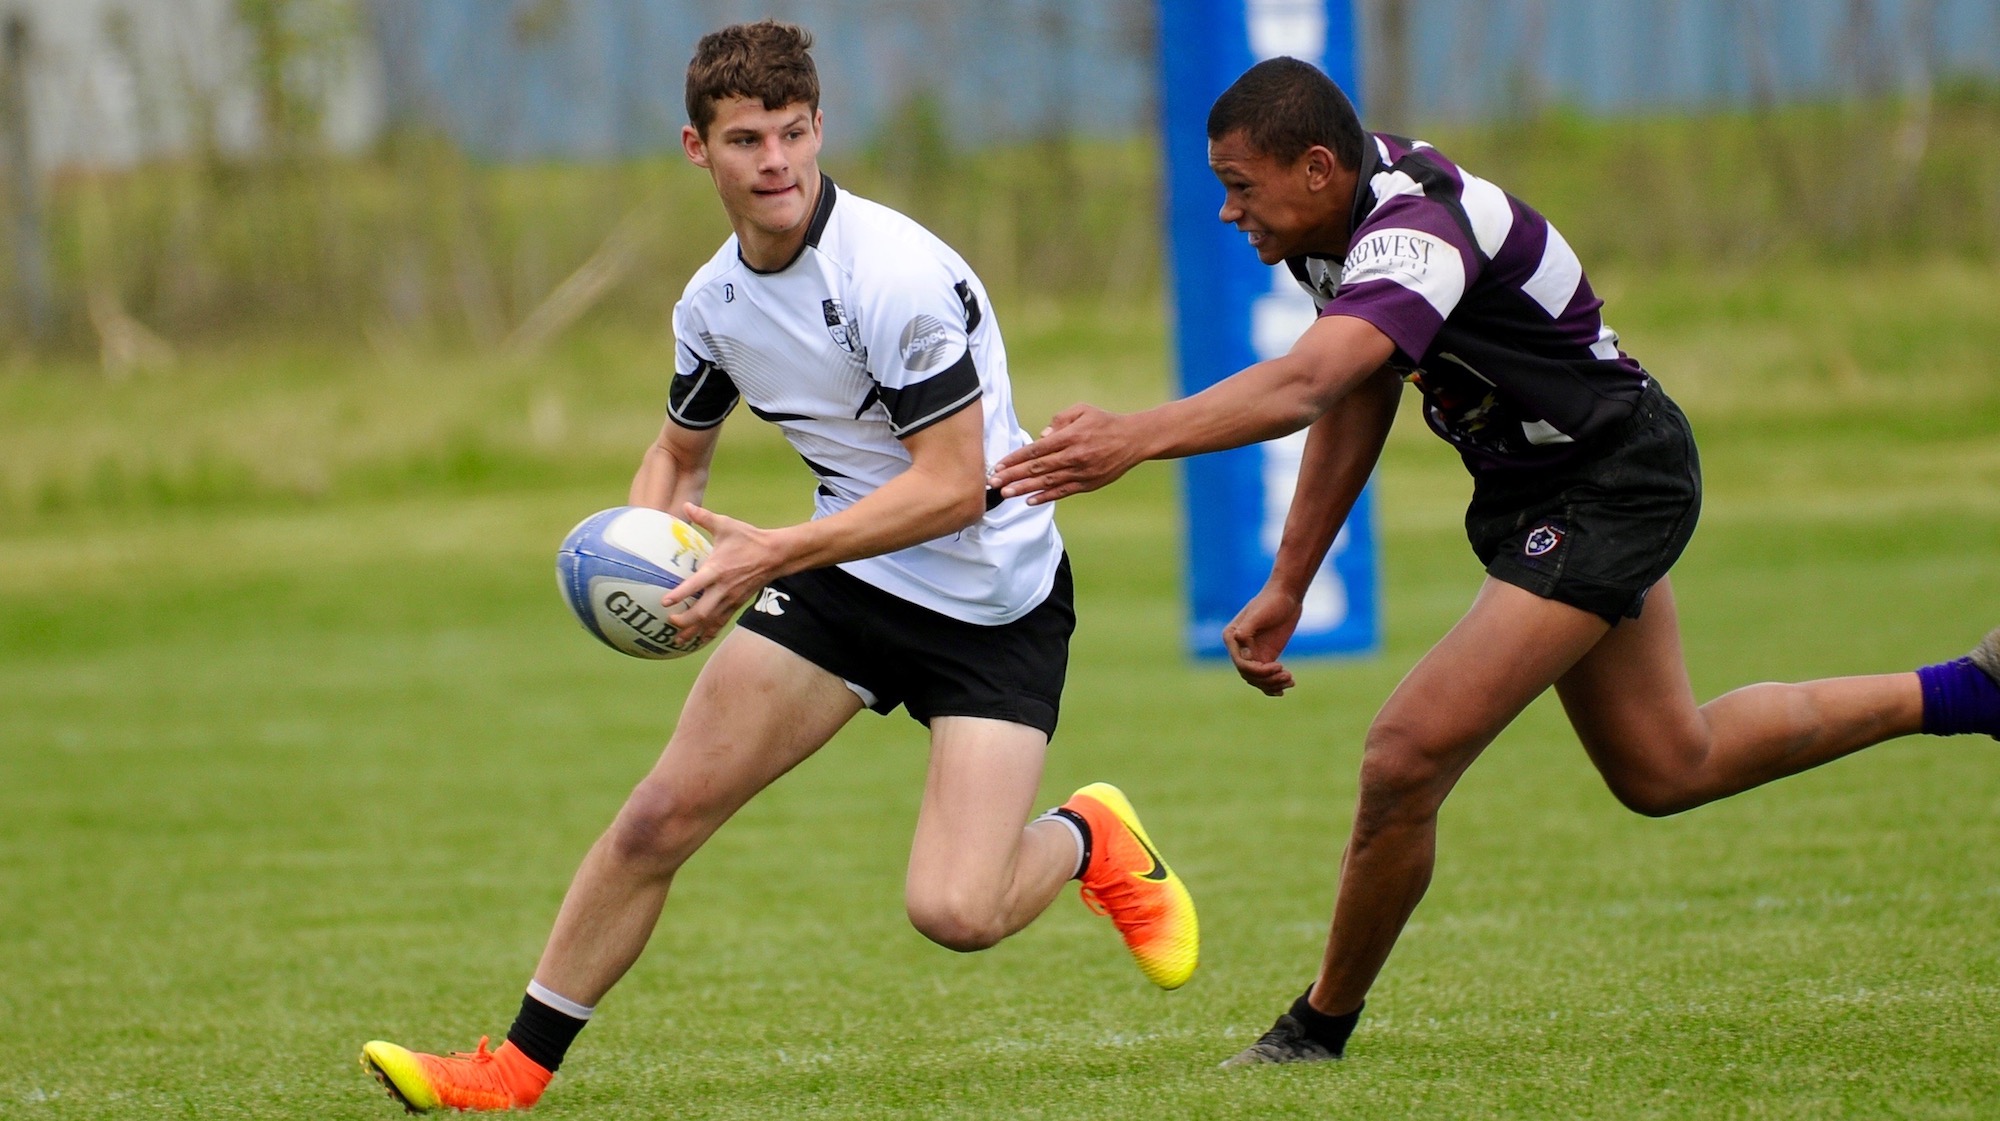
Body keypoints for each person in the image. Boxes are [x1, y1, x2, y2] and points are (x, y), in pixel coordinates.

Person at [990, 56, 2000, 1067]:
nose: (1224, 212)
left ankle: (1314, 1028)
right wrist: (1290, 578)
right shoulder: (1324, 236)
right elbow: (1354, 392)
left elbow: (1307, 381)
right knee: (1663, 763)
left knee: (1404, 752)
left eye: (1239, 187)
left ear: (1313, 168)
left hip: (1609, 481)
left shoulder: (1417, 228)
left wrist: (1134, 436)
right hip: (1543, 489)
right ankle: (1971, 689)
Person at [357, 22, 1198, 1113]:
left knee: (955, 910)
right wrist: (655, 560)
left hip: (995, 599)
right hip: (846, 581)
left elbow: (949, 486)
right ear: (695, 149)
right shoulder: (712, 306)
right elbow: (676, 451)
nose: (776, 162)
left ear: (818, 130)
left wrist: (767, 554)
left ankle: (1089, 835)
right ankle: (509, 1071)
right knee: (660, 815)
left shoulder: (888, 274)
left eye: (793, 133)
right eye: (746, 138)